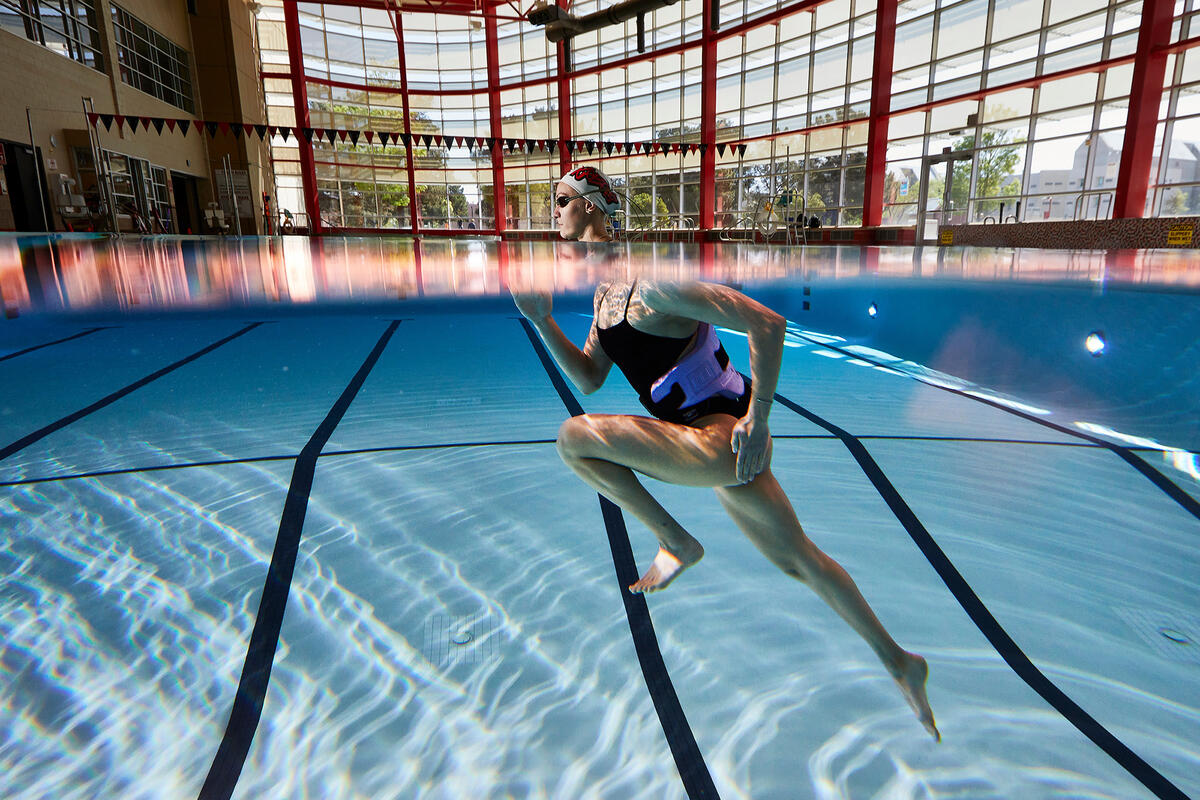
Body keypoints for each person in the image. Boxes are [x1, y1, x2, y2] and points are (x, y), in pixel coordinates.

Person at [513, 165, 939, 741]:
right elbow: (590, 377)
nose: (552, 210)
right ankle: (901, 662)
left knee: (574, 439)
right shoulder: (605, 295)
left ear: (591, 207)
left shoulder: (654, 283)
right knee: (799, 562)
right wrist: (541, 321)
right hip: (711, 449)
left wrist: (760, 420)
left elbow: (767, 323)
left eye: (560, 199)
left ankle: (677, 542)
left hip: (720, 441)